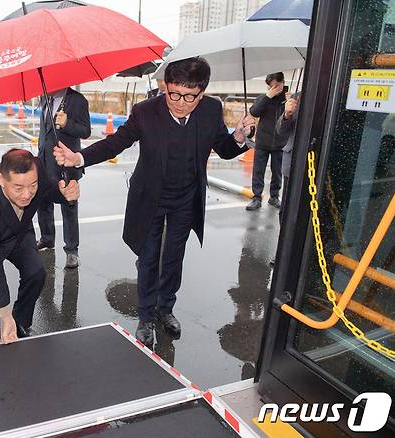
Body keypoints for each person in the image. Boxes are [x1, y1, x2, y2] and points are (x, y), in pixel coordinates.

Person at [54, 57, 255, 345]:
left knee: (174, 257)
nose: (180, 102)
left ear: (202, 92)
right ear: (165, 86)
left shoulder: (211, 110)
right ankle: (146, 316)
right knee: (148, 258)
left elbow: (222, 148)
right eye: (174, 93)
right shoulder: (146, 111)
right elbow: (117, 141)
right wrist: (80, 157)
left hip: (186, 197)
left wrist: (238, 136)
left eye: (190, 97)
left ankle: (166, 309)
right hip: (150, 196)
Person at [0, 149, 80, 345]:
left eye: (32, 185)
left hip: (18, 230)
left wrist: (64, 194)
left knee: (36, 272)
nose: (27, 194)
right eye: (18, 188)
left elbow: (48, 189)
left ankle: (20, 322)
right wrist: (4, 314)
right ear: (1, 180)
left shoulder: (35, 170)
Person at [36, 87, 91, 269]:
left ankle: (71, 251)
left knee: (69, 207)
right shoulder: (45, 98)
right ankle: (47, 238)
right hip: (44, 162)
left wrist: (67, 123)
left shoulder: (78, 100)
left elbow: (86, 131)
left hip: (66, 163)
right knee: (43, 203)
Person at [246, 72, 289, 211]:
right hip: (262, 141)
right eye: (271, 86)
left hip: (281, 142)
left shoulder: (289, 100)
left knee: (277, 172)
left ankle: (274, 196)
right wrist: (268, 96)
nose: (274, 89)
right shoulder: (264, 98)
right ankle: (256, 197)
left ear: (283, 83)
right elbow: (254, 112)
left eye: (277, 85)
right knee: (258, 170)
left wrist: (289, 104)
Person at [275, 93, 300, 223]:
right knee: (286, 208)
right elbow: (281, 130)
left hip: (316, 161)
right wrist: (286, 115)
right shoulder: (297, 98)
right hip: (292, 162)